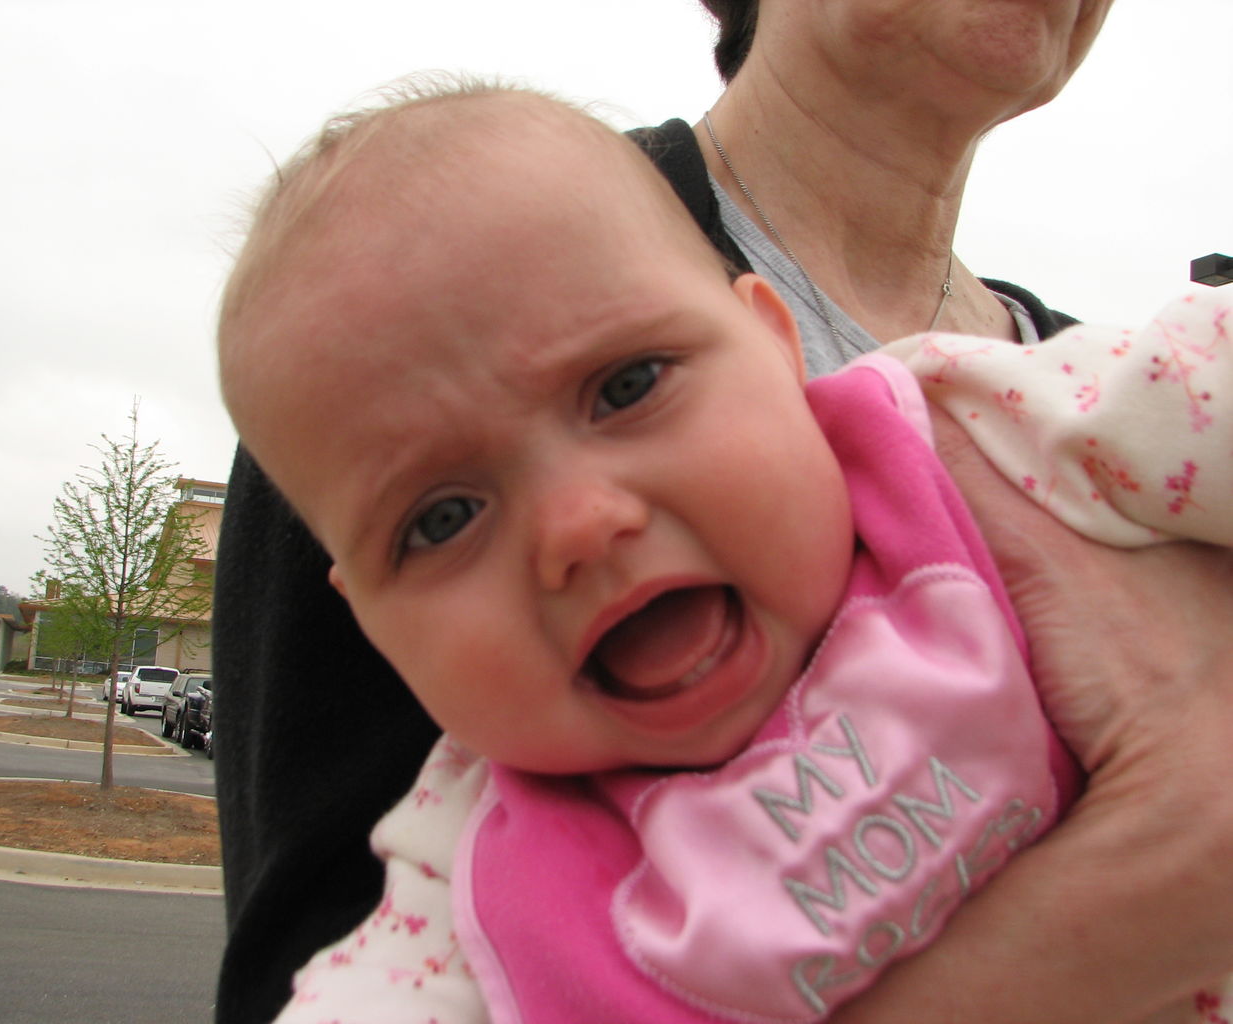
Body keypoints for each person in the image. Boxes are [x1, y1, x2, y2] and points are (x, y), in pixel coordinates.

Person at [210, 3, 1233, 1022]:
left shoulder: (1011, 412)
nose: (576, 525)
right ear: (370, 619)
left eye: (626, 388)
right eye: (440, 521)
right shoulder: (415, 304)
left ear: (778, 346)